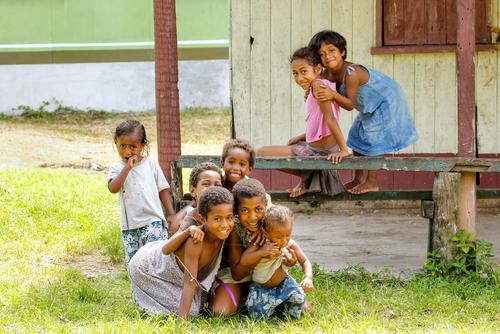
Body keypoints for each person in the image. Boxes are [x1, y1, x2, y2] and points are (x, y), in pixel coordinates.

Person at [308, 30, 418, 194]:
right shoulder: (328, 73)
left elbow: (349, 105)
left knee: (375, 139)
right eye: (322, 54)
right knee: (356, 135)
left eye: (332, 51)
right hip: (370, 105)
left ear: (342, 52)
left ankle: (371, 182)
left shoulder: (352, 73)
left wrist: (333, 94)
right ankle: (359, 178)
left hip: (387, 100)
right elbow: (316, 81)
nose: (328, 56)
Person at [163, 178, 271, 316]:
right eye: (244, 210)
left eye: (258, 209)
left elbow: (266, 199)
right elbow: (237, 274)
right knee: (220, 311)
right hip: (238, 276)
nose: (253, 217)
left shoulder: (272, 220)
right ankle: (244, 295)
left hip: (265, 274)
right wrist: (259, 252)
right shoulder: (233, 228)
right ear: (236, 211)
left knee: (300, 306)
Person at [128, 186, 234, 319]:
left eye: (229, 217)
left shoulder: (222, 233)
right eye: (217, 219)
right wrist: (181, 323)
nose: (225, 224)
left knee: (198, 303)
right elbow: (189, 284)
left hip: (173, 275)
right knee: (192, 311)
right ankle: (145, 294)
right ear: (202, 219)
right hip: (147, 267)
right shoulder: (196, 241)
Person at [256, 47, 348, 198]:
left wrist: (344, 149)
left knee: (259, 153)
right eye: (295, 73)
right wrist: (302, 137)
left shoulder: (319, 86)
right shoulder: (318, 85)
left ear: (318, 69)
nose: (299, 78)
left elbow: (331, 119)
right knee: (286, 145)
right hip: (315, 146)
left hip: (320, 152)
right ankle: (310, 176)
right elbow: (320, 123)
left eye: (304, 72)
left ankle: (311, 176)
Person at [108, 120, 175, 263]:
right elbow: (113, 188)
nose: (127, 151)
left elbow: (163, 190)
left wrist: (171, 214)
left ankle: (158, 285)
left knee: (157, 259)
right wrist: (127, 169)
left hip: (153, 221)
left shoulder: (150, 164)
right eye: (122, 146)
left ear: (142, 145)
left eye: (133, 146)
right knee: (135, 264)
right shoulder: (116, 168)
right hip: (130, 226)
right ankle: (139, 286)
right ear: (116, 143)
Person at [241, 205, 313, 319]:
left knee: (299, 299)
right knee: (257, 315)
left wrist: (308, 277)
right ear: (266, 233)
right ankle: (274, 308)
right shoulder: (260, 243)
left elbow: (305, 261)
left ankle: (289, 310)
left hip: (284, 284)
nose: (284, 240)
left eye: (288, 235)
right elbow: (244, 261)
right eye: (279, 237)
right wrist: (261, 252)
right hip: (261, 288)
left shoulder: (290, 244)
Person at [167, 162, 223, 236]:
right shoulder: (186, 222)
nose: (212, 188)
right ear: (193, 190)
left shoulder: (224, 213)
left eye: (217, 185)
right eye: (206, 184)